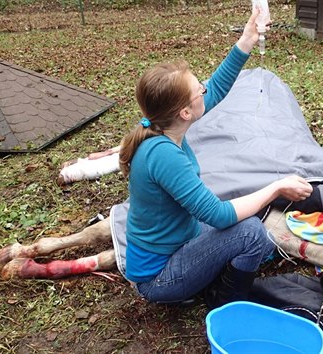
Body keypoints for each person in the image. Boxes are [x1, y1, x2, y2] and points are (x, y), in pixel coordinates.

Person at [118, 10, 312, 308]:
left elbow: (217, 88)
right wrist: (276, 187)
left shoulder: (161, 126)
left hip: (181, 240)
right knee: (249, 232)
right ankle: (228, 304)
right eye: (200, 90)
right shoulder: (164, 155)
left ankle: (216, 277)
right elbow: (220, 216)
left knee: (251, 218)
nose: (205, 90)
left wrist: (247, 39)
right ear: (184, 112)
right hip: (158, 278)